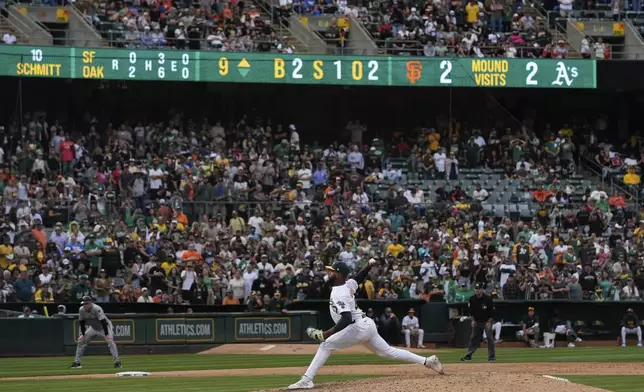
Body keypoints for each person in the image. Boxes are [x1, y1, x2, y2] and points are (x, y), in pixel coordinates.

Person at [287, 261, 443, 389]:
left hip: (357, 326)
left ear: (339, 274)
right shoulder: (347, 285)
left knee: (325, 344)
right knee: (388, 352)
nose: (329, 273)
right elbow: (359, 277)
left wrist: (327, 333)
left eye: (332, 271)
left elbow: (347, 318)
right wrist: (368, 266)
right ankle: (428, 361)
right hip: (366, 325)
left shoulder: (339, 292)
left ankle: (307, 379)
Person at [70, 296, 122, 369]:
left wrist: (107, 334)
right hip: (93, 328)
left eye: (87, 304)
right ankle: (77, 362)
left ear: (91, 303)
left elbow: (103, 322)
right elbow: (82, 323)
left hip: (105, 327)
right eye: (84, 304)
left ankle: (118, 362)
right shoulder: (81, 310)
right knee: (80, 341)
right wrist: (83, 334)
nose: (85, 305)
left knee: (110, 341)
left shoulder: (97, 308)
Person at [461, 282, 496, 362]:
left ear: (482, 289)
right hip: (477, 321)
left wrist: (489, 322)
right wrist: (473, 320)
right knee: (473, 338)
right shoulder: (472, 299)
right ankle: (468, 356)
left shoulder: (488, 299)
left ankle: (492, 357)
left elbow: (493, 312)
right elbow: (471, 311)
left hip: (487, 321)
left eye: (479, 289)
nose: (477, 290)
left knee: (489, 338)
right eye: (476, 289)